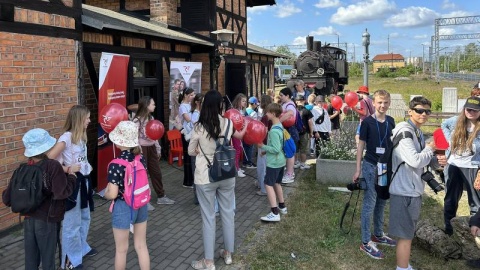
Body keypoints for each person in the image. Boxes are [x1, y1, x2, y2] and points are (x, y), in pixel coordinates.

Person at [188, 90, 246, 270]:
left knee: (208, 218)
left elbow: (190, 150)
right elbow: (229, 140)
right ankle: (228, 254)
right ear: (220, 105)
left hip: (205, 176)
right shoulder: (228, 123)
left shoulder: (199, 126)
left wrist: (200, 151)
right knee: (228, 214)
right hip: (227, 173)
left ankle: (209, 261)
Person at [3, 128, 75, 270]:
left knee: (30, 261)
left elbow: (6, 198)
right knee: (48, 261)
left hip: (28, 219)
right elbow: (61, 193)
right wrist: (72, 177)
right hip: (47, 220)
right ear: (47, 146)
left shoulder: (22, 168)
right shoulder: (52, 165)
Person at [389, 96, 442, 270]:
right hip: (403, 190)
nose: (424, 114)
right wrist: (429, 149)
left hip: (412, 190)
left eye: (427, 111)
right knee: (405, 235)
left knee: (408, 233)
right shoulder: (405, 131)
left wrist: (436, 161)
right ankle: (402, 268)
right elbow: (414, 160)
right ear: (410, 111)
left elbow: (422, 160)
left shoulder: (417, 132)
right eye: (419, 110)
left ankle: (404, 265)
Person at [47, 105, 97, 269]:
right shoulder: (66, 137)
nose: (89, 121)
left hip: (84, 181)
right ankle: (69, 261)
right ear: (78, 119)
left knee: (85, 217)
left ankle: (81, 248)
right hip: (74, 184)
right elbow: (49, 160)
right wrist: (67, 169)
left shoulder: (80, 136)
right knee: (72, 223)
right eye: (87, 118)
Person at [351, 90, 396, 259]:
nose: (382, 105)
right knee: (369, 202)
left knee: (382, 200)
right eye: (379, 102)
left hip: (385, 166)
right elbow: (361, 146)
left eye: (385, 102)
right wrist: (358, 169)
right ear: (374, 103)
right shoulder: (367, 122)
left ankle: (377, 233)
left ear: (389, 103)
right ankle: (365, 241)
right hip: (371, 165)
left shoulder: (391, 121)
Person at [104, 121, 150, 270]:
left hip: (124, 206)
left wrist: (105, 193)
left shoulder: (115, 164)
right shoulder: (140, 158)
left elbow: (112, 194)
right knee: (141, 245)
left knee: (121, 250)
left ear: (118, 141)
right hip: (141, 203)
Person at [442, 96, 480, 236]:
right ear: (464, 109)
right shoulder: (456, 121)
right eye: (468, 109)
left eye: (475, 110)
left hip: (473, 166)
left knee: (475, 201)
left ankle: (474, 230)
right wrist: (450, 143)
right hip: (454, 165)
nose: (471, 112)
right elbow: (443, 125)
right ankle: (449, 230)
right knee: (450, 199)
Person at [133, 96, 175, 207]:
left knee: (156, 172)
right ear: (147, 105)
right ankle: (144, 199)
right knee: (143, 175)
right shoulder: (137, 120)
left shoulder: (151, 118)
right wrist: (139, 150)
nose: (155, 106)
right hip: (142, 149)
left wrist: (158, 148)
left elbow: (155, 135)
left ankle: (161, 196)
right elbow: (134, 137)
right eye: (153, 104)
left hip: (151, 148)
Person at [257, 103, 288, 222]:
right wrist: (266, 151)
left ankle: (274, 212)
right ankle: (282, 206)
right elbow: (278, 145)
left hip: (274, 163)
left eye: (268, 112)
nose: (266, 114)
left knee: (268, 184)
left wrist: (263, 146)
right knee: (277, 183)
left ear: (273, 114)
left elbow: (275, 149)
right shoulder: (279, 125)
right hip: (280, 161)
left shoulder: (274, 130)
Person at [279, 87, 299, 184]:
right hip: (287, 130)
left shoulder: (290, 105)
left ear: (287, 96)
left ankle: (290, 174)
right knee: (287, 152)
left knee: (289, 153)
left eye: (282, 95)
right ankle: (289, 172)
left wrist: (278, 122)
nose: (280, 97)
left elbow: (290, 113)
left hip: (290, 131)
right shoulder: (285, 104)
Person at [178, 87, 196, 188]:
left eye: (194, 95)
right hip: (186, 133)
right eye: (191, 95)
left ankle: (192, 179)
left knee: (192, 156)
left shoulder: (190, 105)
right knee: (188, 157)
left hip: (192, 133)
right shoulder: (182, 106)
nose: (193, 97)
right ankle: (188, 181)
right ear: (186, 95)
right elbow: (188, 119)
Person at [256, 94, 273, 196]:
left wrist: (261, 144)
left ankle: (263, 188)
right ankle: (262, 185)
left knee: (262, 167)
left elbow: (264, 131)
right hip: (270, 143)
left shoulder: (265, 117)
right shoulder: (271, 114)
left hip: (264, 143)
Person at [293, 94, 313, 170]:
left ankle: (295, 162)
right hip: (304, 133)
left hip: (294, 132)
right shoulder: (307, 111)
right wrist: (311, 132)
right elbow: (310, 122)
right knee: (303, 149)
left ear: (296, 102)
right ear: (304, 101)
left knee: (295, 149)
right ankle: (303, 164)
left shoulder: (293, 111)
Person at [231, 93, 247, 178]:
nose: (245, 103)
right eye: (243, 101)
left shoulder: (242, 110)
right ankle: (236, 169)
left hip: (240, 131)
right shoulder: (235, 111)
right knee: (237, 150)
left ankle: (237, 167)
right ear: (238, 101)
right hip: (235, 133)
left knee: (239, 150)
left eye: (245, 101)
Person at [243, 96, 259, 169]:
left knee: (246, 147)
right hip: (250, 132)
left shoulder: (245, 110)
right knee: (249, 148)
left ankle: (246, 161)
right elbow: (255, 124)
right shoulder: (253, 113)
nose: (256, 106)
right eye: (256, 104)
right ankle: (248, 162)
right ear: (254, 104)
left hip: (244, 132)